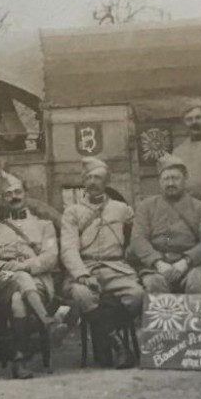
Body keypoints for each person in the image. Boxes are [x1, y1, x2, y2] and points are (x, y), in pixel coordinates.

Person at [60, 156, 147, 368]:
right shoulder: (72, 212)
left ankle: (105, 338)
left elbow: (136, 236)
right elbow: (68, 248)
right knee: (81, 294)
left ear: (107, 181)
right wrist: (81, 274)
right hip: (86, 268)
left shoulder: (122, 209)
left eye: (97, 177)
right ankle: (119, 346)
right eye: (88, 177)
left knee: (137, 296)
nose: (92, 182)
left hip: (116, 268)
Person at [0, 171, 62, 377]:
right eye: (8, 194)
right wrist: (5, 267)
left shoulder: (45, 226)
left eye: (18, 192)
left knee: (19, 299)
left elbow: (50, 257)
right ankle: (46, 321)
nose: (14, 197)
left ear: (26, 194)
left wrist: (24, 266)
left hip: (38, 281)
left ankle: (19, 360)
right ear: (3, 199)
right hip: (3, 281)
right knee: (19, 280)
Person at [130, 154, 201, 297]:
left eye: (175, 178)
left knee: (198, 283)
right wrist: (157, 262)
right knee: (154, 284)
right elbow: (138, 239)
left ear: (185, 179)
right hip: (156, 266)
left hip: (191, 265)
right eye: (166, 179)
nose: (170, 183)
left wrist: (186, 262)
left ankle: (194, 320)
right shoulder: (146, 207)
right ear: (159, 182)